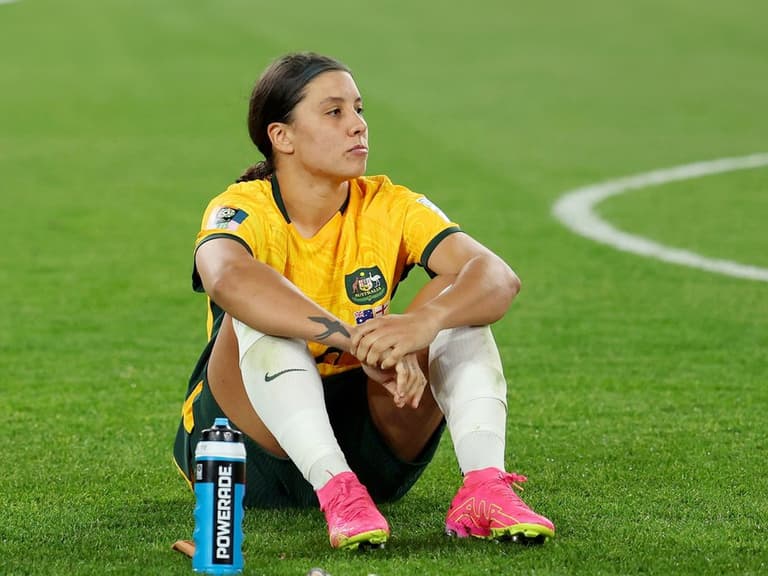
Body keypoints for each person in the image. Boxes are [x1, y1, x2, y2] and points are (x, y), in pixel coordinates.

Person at [173, 51, 555, 550]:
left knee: (458, 294)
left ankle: (484, 488)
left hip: (369, 442)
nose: (357, 125)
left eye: (358, 109)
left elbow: (498, 276)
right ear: (282, 137)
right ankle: (336, 489)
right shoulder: (241, 207)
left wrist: (425, 323)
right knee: (262, 312)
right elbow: (228, 278)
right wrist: (355, 340)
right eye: (334, 112)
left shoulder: (389, 204)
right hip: (247, 452)